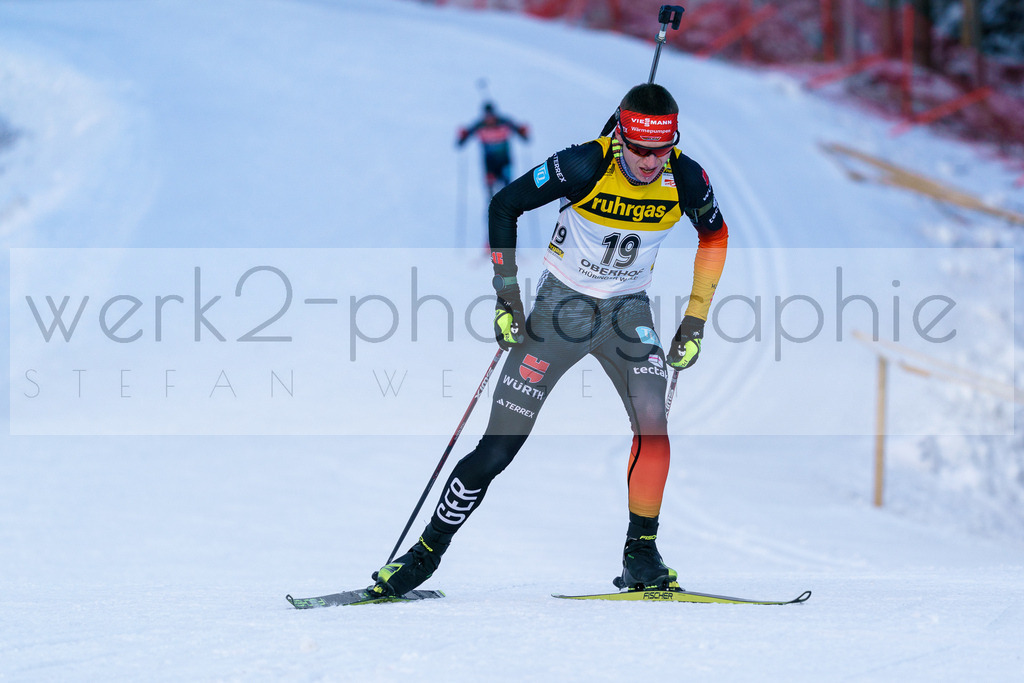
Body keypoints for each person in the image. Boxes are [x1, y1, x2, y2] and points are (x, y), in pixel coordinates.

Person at [373, 83, 728, 596]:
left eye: (661, 149)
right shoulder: (584, 164)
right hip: (561, 311)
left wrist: (694, 321)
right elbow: (504, 205)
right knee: (499, 446)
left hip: (629, 314)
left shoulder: (687, 177)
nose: (650, 162)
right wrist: (505, 296)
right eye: (639, 149)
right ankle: (425, 554)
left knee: (654, 427)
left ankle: (641, 555)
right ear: (621, 136)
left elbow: (714, 237)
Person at [457, 101, 530, 199]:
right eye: (487, 116)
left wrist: (523, 132)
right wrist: (462, 136)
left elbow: (522, 135)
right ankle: (491, 209)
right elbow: (462, 141)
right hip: (489, 163)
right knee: (490, 188)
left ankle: (509, 208)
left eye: (491, 115)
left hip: (504, 161)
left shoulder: (504, 122)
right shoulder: (480, 125)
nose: (489, 119)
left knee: (507, 186)